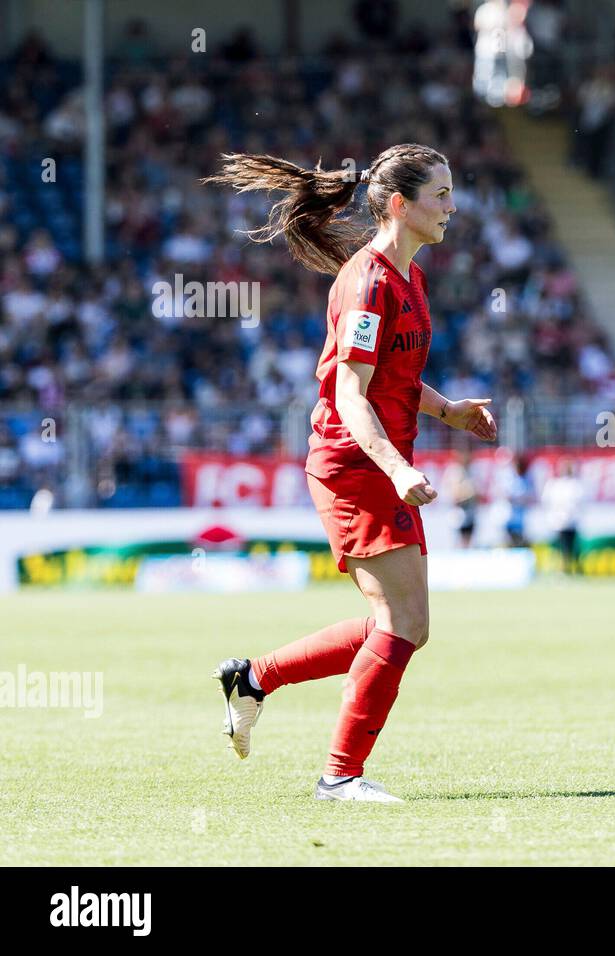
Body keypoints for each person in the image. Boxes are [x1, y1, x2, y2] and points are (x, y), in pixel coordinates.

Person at [204, 144, 497, 802]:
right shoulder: (367, 282)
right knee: (402, 623)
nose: (453, 207)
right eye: (441, 195)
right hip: (353, 465)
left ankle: (253, 679)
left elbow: (396, 376)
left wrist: (447, 410)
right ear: (401, 204)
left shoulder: (409, 278)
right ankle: (339, 777)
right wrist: (395, 468)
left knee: (403, 624)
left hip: (378, 461)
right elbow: (348, 395)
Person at [542, 458, 584, 574]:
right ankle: (564, 569)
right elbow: (548, 501)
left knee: (572, 546)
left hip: (571, 521)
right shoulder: (555, 484)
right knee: (562, 547)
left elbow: (578, 502)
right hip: (559, 522)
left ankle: (575, 569)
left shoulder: (574, 484)